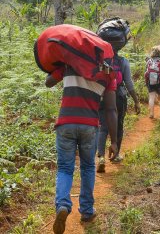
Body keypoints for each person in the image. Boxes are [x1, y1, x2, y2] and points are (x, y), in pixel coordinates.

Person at [45, 65, 118, 234]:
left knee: (65, 168)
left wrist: (57, 63)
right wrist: (114, 141)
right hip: (89, 127)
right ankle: (86, 211)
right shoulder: (108, 74)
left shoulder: (70, 63)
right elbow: (111, 109)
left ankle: (63, 204)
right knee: (88, 167)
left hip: (66, 123)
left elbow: (48, 82)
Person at [96, 51, 141, 172]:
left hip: (102, 94)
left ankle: (101, 156)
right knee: (118, 125)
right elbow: (129, 83)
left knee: (103, 126)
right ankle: (115, 154)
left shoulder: (99, 61)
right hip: (119, 95)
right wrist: (136, 101)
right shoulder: (122, 61)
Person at [145, 45, 160, 119]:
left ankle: (151, 114)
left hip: (150, 82)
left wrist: (146, 82)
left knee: (151, 97)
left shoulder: (149, 61)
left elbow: (146, 72)